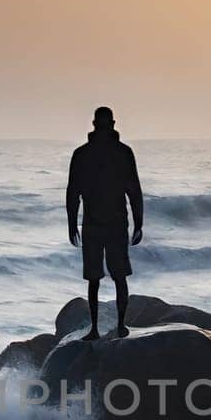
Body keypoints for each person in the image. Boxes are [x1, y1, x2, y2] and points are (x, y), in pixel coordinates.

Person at [67, 106, 143, 340]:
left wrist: (72, 223)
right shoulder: (122, 152)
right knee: (111, 277)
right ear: (112, 124)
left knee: (98, 278)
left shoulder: (83, 154)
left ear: (95, 124)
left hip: (98, 222)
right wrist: (139, 222)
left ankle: (102, 328)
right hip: (112, 222)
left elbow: (73, 194)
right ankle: (114, 327)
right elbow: (134, 191)